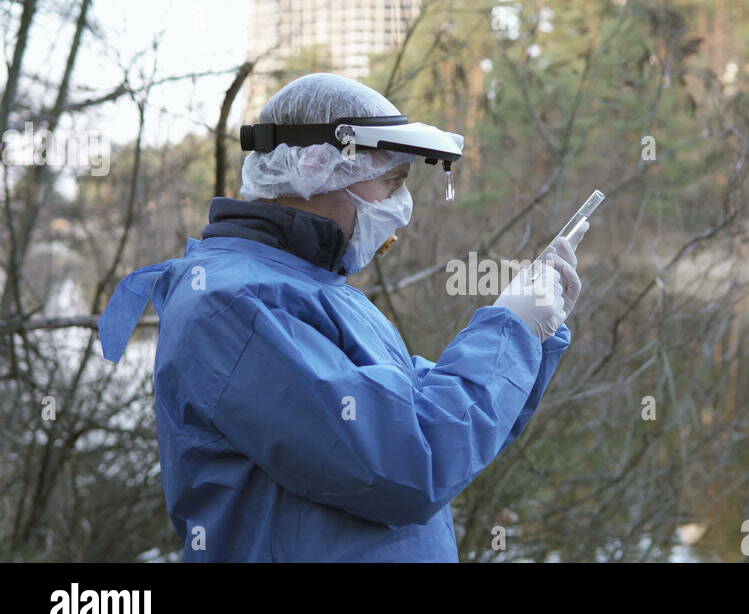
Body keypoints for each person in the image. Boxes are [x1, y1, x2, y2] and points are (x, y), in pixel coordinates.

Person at [98, 73, 588, 562]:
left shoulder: (319, 290)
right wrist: (510, 331)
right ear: (316, 167)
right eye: (392, 182)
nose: (402, 208)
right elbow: (412, 465)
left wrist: (531, 338)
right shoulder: (233, 305)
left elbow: (452, 432)